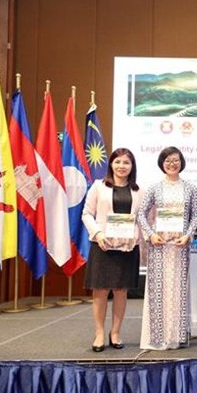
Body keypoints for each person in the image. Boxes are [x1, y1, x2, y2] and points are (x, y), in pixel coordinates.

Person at [136, 146, 197, 350]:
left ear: (181, 161)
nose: (172, 164)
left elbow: (196, 215)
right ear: (162, 164)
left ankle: (176, 336)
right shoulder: (154, 188)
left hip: (180, 247)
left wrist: (188, 235)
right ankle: (157, 336)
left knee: (178, 290)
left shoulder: (190, 188)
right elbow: (141, 214)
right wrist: (151, 234)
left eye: (176, 160)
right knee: (159, 291)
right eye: (168, 161)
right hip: (159, 247)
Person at [82, 148, 143, 352]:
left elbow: (142, 219)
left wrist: (137, 235)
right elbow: (87, 214)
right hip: (103, 246)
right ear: (111, 165)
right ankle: (99, 333)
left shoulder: (138, 190)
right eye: (118, 162)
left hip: (127, 248)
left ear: (132, 166)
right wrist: (98, 234)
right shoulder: (98, 187)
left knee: (120, 290)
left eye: (126, 162)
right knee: (100, 290)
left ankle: (115, 332)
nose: (122, 166)